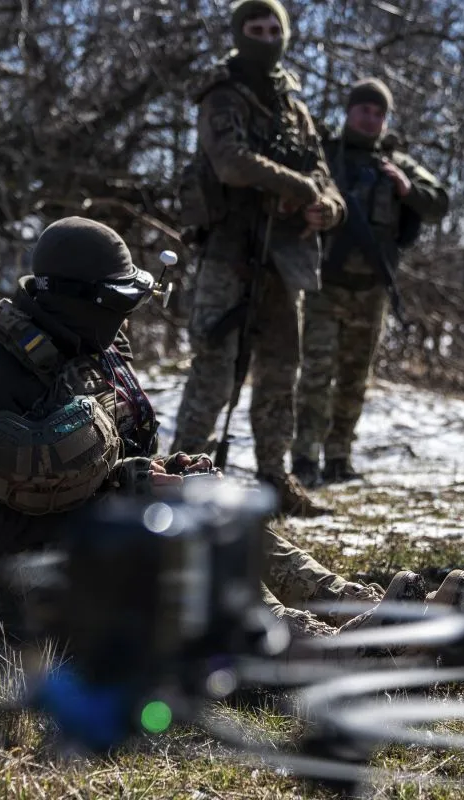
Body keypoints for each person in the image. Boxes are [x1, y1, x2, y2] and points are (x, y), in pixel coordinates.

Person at [0, 216, 464, 634]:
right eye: (115, 303)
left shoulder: (84, 348)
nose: (124, 318)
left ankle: (360, 610)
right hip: (6, 578)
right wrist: (131, 492)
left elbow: (107, 457)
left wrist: (158, 474)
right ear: (68, 296)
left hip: (86, 542)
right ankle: (323, 649)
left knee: (221, 516)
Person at [171, 0, 344, 517]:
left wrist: (327, 210)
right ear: (239, 33)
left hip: (284, 258)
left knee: (281, 373)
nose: (267, 37)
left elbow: (324, 174)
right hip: (229, 253)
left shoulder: (293, 106)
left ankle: (274, 478)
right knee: (214, 371)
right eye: (256, 28)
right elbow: (230, 163)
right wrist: (299, 186)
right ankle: (182, 477)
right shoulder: (221, 95)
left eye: (274, 29)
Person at [290, 78, 450, 487]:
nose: (371, 118)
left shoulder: (394, 161)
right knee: (315, 374)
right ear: (350, 111)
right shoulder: (326, 154)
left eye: (379, 113)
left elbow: (439, 202)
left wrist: (407, 188)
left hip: (372, 289)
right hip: (325, 285)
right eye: (364, 110)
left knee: (354, 377)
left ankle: (339, 457)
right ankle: (305, 457)